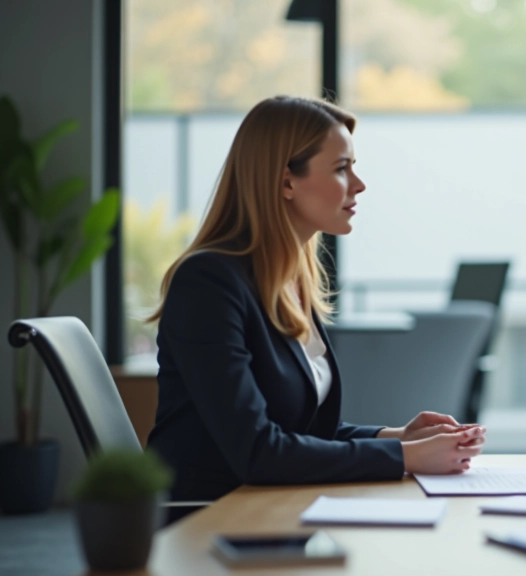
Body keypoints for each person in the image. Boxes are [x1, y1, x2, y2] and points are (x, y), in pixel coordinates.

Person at [147, 96, 485, 508]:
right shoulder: (208, 282)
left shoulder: (289, 281)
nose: (359, 184)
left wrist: (398, 437)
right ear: (286, 181)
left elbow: (300, 433)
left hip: (271, 507)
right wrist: (406, 457)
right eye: (342, 168)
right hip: (208, 521)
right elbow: (258, 451)